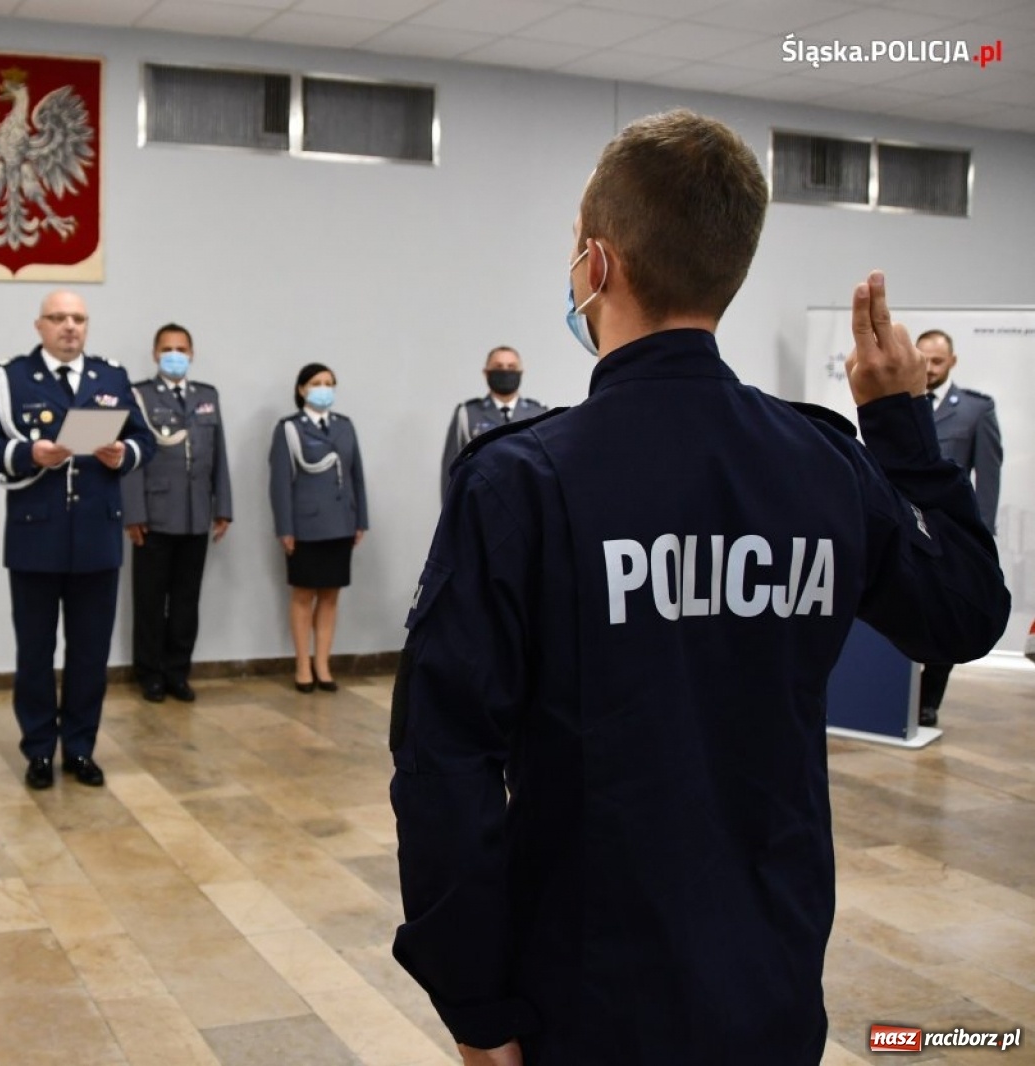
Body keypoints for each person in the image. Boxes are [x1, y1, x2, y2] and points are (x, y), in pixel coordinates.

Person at [389, 110, 1008, 1066]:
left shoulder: (522, 481)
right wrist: (898, 423)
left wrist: (477, 1006)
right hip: (772, 981)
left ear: (596, 265)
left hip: (589, 997)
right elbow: (964, 613)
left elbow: (446, 764)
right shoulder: (823, 463)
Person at [0, 291, 155, 790]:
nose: (69, 326)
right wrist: (29, 453)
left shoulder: (111, 377)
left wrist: (124, 455)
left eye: (78, 318)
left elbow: (146, 440)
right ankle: (38, 751)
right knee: (35, 652)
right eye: (58, 318)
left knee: (90, 654)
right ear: (40, 326)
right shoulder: (11, 378)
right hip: (36, 537)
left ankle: (80, 748)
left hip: (98, 537)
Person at [122, 323, 233, 703]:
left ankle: (177, 672)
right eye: (167, 349)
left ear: (192, 353)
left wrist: (223, 507)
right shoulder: (138, 396)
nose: (175, 355)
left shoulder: (206, 396)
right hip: (154, 516)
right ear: (155, 354)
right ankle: (149, 674)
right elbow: (131, 458)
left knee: (186, 602)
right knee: (150, 602)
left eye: (181, 349)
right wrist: (133, 514)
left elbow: (218, 453)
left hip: (196, 514)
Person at [914, 327, 1002, 728]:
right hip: (900, 526)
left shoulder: (974, 410)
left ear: (952, 362)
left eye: (937, 361)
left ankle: (928, 700)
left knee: (943, 613)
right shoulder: (898, 402)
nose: (930, 368)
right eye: (924, 359)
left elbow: (988, 478)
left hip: (948, 533)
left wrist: (979, 538)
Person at [268, 363, 368, 694]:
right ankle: (302, 665)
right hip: (305, 525)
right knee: (303, 595)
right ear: (302, 389)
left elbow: (356, 476)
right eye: (316, 383)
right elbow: (280, 483)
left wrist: (360, 519)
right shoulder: (289, 428)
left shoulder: (345, 426)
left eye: (329, 383)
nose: (324, 388)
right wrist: (285, 528)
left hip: (341, 523)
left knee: (330, 596)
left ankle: (322, 664)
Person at [440, 346, 546, 497]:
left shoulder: (540, 414)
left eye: (511, 367)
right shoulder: (467, 414)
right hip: (481, 501)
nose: (505, 371)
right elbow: (451, 470)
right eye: (498, 366)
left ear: (520, 373)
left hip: (527, 501)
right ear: (486, 372)